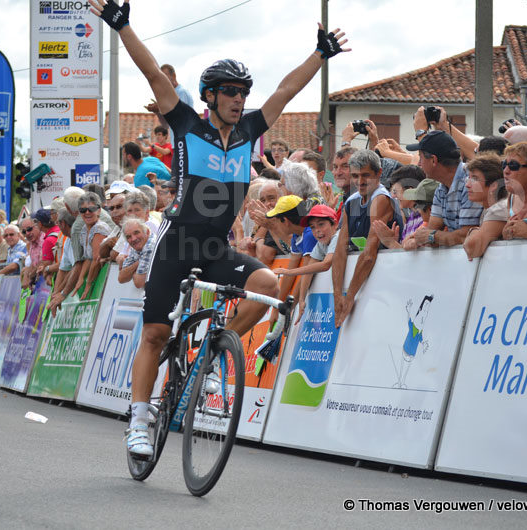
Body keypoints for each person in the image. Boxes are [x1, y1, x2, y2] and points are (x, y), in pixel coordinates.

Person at [91, 0, 349, 458]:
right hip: (177, 243)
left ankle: (211, 350)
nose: (239, 99)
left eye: (243, 92)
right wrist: (123, 25)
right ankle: (139, 419)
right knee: (154, 334)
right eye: (229, 91)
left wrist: (320, 55)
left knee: (267, 285)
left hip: (214, 248)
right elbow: (155, 75)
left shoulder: (251, 129)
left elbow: (285, 92)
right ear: (209, 95)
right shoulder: (187, 124)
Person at [331, 149, 403, 328]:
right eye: (355, 176)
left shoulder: (380, 200)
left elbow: (369, 254)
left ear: (378, 174)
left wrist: (349, 297)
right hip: (364, 281)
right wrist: (337, 294)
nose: (360, 182)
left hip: (387, 281)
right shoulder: (352, 201)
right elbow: (340, 249)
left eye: (366, 176)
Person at [406, 130, 483, 249]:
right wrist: (417, 239)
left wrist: (431, 237)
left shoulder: (471, 182)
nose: (419, 164)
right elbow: (432, 229)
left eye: (420, 158)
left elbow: (466, 235)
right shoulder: (441, 188)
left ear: (433, 160)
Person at [273, 204, 339, 323]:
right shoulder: (321, 244)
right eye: (312, 227)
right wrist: (302, 300)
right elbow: (309, 270)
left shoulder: (337, 237)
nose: (317, 230)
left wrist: (289, 272)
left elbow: (325, 265)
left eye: (321, 224)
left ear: (335, 224)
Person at [462, 155, 509, 260]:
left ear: (493, 185)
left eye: (474, 179)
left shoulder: (499, 209)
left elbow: (473, 248)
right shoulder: (490, 208)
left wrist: (473, 230)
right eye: (468, 178)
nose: (467, 185)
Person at [70, 192, 111, 300]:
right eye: (83, 210)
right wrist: (81, 278)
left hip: (105, 277)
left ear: (99, 210)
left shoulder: (100, 228)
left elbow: (96, 259)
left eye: (91, 209)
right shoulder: (84, 229)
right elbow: (88, 258)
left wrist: (88, 284)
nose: (87, 212)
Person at [501, 142, 527, 242]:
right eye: (504, 164)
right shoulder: (511, 198)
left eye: (513, 165)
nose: (506, 170)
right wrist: (506, 232)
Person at [117, 217, 156, 288]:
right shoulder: (137, 247)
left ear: (147, 232)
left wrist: (132, 271)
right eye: (128, 237)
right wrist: (138, 263)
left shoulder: (150, 246)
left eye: (136, 233)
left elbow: (139, 283)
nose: (133, 239)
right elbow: (121, 278)